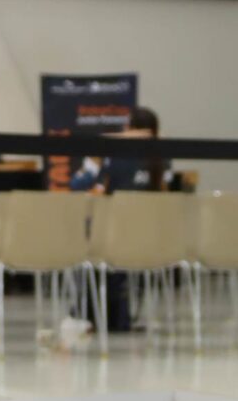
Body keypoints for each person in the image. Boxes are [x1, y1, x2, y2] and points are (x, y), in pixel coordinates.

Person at [69, 105, 169, 333]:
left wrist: (97, 156)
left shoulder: (113, 155)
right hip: (152, 238)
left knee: (93, 241)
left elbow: (77, 185)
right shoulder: (162, 158)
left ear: (129, 129)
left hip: (115, 237)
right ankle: (117, 315)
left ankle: (89, 312)